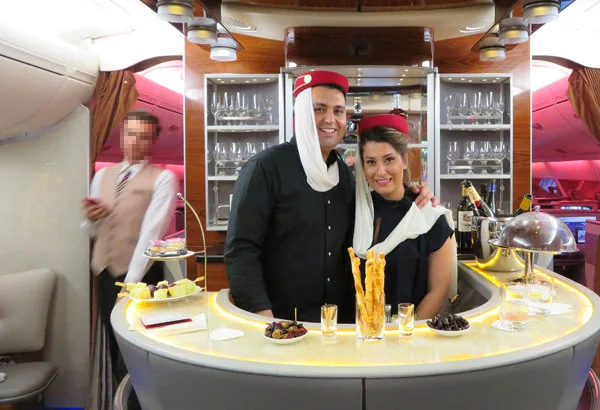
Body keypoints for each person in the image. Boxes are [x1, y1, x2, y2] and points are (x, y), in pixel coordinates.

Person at [225, 71, 436, 322]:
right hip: (282, 321)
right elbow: (241, 250)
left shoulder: (344, 177)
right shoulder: (265, 168)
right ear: (302, 114)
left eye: (338, 111)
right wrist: (264, 318)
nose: (330, 119)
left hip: (338, 323)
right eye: (319, 109)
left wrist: (416, 194)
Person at [82, 109, 178, 378]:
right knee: (114, 342)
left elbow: (151, 235)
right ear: (122, 136)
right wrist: (91, 219)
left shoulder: (163, 178)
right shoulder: (102, 175)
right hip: (104, 272)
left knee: (139, 346)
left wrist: (130, 285)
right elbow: (92, 231)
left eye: (143, 137)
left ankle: (142, 396)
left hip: (141, 275)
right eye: (131, 134)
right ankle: (118, 395)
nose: (135, 141)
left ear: (153, 141)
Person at [353, 114, 456, 319]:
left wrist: (407, 331)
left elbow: (438, 291)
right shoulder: (354, 211)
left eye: (389, 159)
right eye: (371, 162)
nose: (380, 172)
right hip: (357, 330)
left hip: (409, 331)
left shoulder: (429, 217)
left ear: (405, 160)